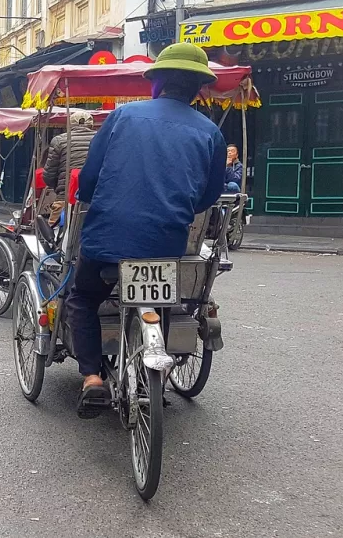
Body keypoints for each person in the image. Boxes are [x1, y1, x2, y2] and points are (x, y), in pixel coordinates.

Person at [68, 43, 226, 419]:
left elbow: (88, 180)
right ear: (198, 89)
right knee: (163, 297)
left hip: (106, 237)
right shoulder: (210, 133)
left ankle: (92, 377)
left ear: (156, 83)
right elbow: (208, 197)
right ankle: (160, 359)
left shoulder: (123, 116)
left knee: (83, 298)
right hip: (165, 241)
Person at [43, 110, 95, 225]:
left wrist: (58, 187)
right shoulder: (101, 138)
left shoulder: (59, 141)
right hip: (94, 199)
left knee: (53, 236)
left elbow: (49, 175)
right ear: (91, 125)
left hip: (64, 198)